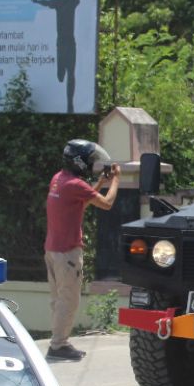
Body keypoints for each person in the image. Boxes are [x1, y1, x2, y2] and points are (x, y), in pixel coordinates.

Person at [44, 139, 119, 361]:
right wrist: (115, 181)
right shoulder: (75, 184)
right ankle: (58, 345)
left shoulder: (58, 179)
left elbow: (80, 203)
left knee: (58, 299)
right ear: (79, 161)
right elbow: (107, 204)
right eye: (88, 160)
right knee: (69, 299)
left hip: (52, 249)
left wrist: (98, 184)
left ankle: (58, 341)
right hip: (67, 252)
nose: (89, 163)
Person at [31, 0, 97, 112]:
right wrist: (37, 1)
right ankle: (60, 70)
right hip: (60, 43)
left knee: (71, 73)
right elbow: (46, 2)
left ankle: (70, 104)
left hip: (70, 42)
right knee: (61, 76)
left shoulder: (72, 1)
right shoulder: (59, 3)